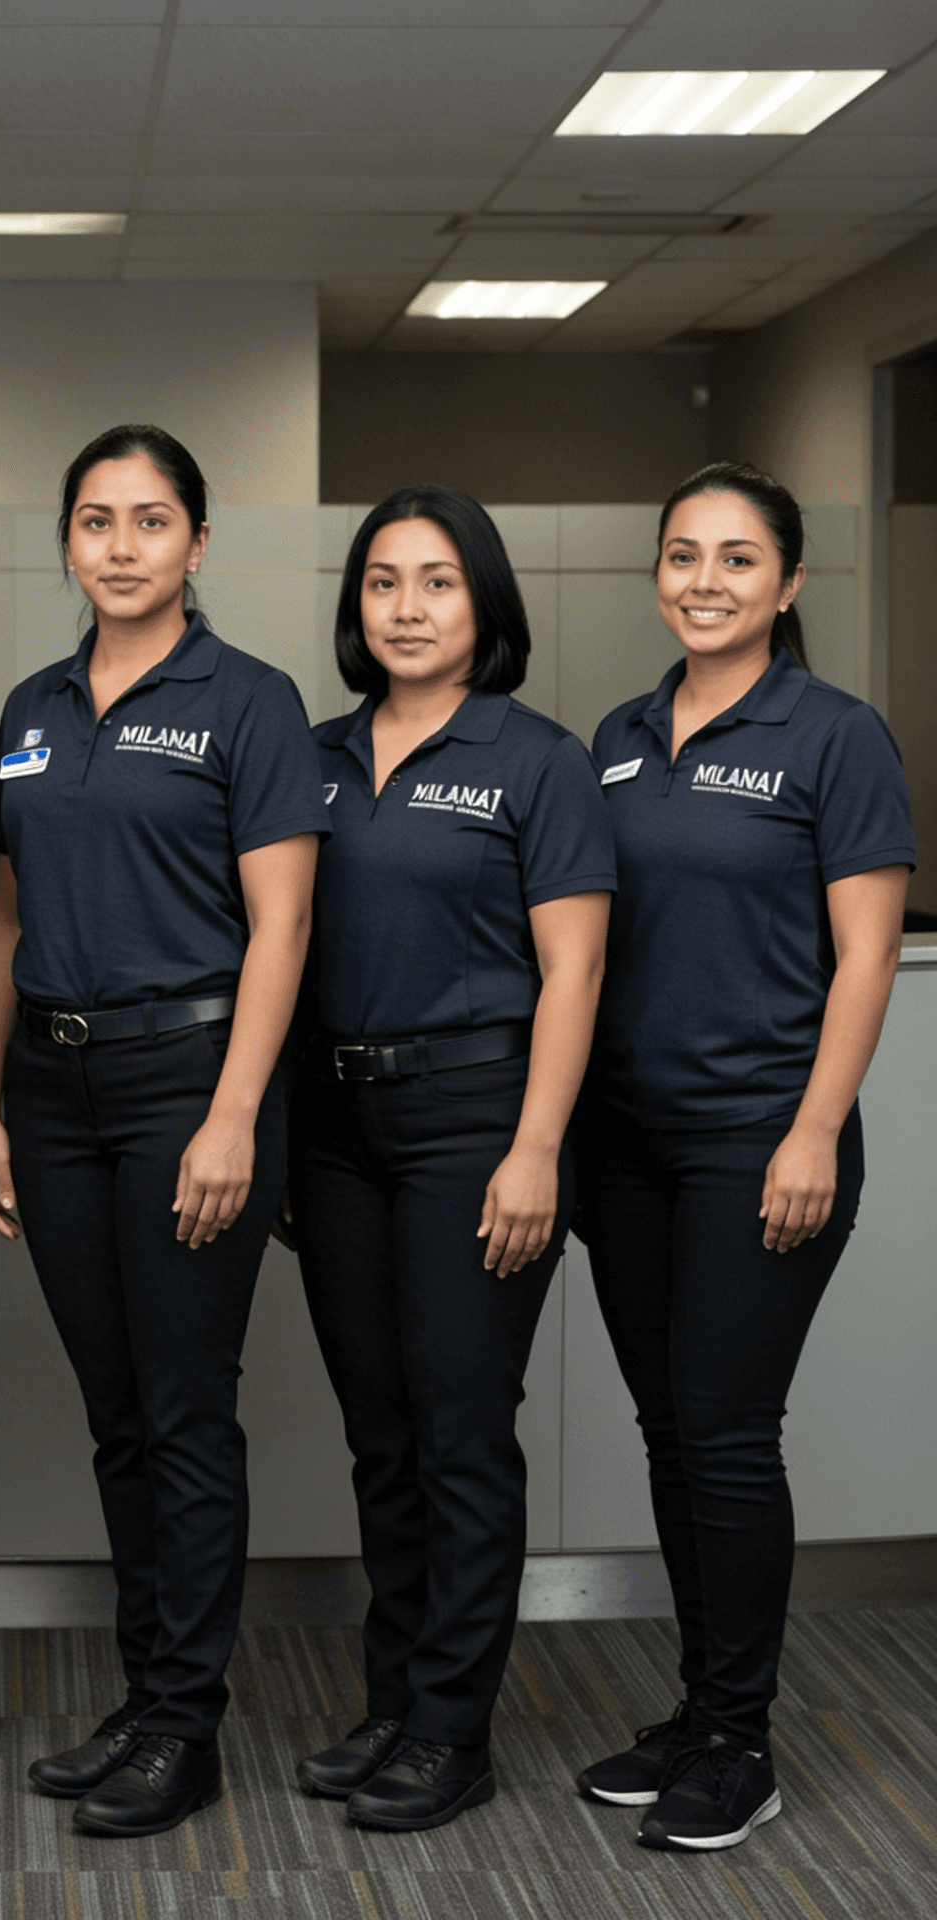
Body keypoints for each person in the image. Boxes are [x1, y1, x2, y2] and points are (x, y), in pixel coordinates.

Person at [0, 424, 325, 1839]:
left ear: (199, 544)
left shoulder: (251, 701)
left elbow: (284, 925)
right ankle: (144, 1691)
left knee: (184, 1414)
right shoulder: (31, 706)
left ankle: (187, 1723)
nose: (122, 545)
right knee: (117, 1417)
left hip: (190, 1088)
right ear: (69, 541)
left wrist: (237, 1113)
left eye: (153, 520)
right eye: (99, 521)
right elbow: (4, 915)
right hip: (53, 1096)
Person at [571, 463, 913, 1853]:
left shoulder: (835, 735)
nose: (703, 580)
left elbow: (870, 952)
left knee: (724, 1435)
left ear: (788, 585)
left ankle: (739, 1740)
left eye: (734, 559)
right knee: (673, 1435)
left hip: (758, 1141)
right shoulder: (619, 732)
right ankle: (700, 1706)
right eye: (681, 556)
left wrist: (815, 1129)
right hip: (627, 1145)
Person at [288, 488, 614, 1832]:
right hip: (337, 1129)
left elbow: (576, 964)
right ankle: (394, 1702)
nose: (407, 608)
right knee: (381, 1433)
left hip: (475, 1122)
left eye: (436, 582)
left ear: (485, 602)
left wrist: (538, 1148)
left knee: (461, 1433)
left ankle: (451, 1730)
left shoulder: (537, 759)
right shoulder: (306, 755)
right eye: (382, 582)